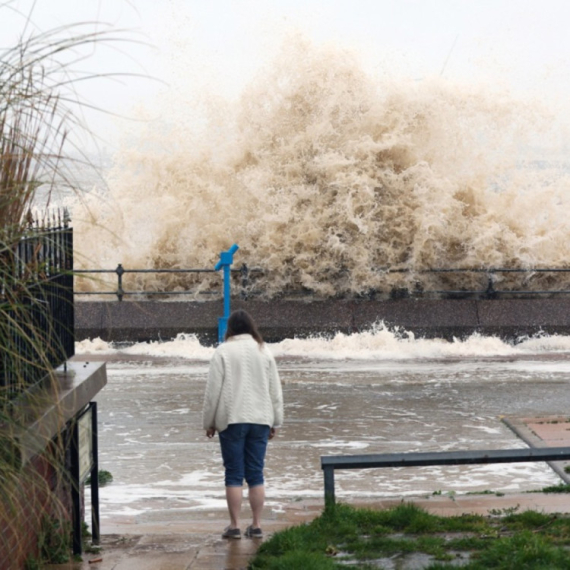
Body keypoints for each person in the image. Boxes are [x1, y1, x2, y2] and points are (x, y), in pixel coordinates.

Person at [202, 309, 284, 540]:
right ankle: (257, 525)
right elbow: (275, 391)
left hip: (231, 420)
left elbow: (213, 392)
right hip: (260, 419)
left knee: (234, 474)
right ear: (251, 327)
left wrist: (209, 422)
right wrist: (276, 420)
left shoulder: (223, 352)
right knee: (256, 473)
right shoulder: (264, 350)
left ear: (231, 328)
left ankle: (235, 526)